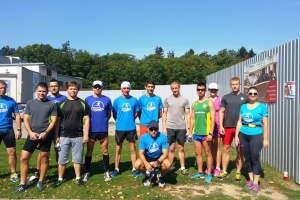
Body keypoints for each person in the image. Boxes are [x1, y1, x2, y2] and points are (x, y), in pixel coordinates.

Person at [12, 82, 57, 193]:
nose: (42, 93)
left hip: (45, 136)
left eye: (44, 91)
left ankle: (40, 181)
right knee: (24, 158)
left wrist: (46, 133)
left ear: (47, 92)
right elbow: (26, 119)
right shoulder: (30, 103)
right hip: (32, 135)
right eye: (40, 91)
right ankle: (23, 183)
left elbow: (54, 120)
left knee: (44, 158)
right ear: (36, 91)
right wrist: (30, 133)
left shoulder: (52, 104)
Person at [52, 81, 90, 188]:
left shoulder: (83, 103)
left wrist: (86, 135)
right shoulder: (61, 104)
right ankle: (60, 178)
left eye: (75, 89)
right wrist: (56, 136)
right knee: (62, 159)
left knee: (77, 159)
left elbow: (87, 120)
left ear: (77, 90)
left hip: (78, 136)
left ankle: (78, 178)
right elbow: (58, 121)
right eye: (71, 88)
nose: (73, 91)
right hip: (64, 136)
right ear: (67, 90)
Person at [235, 87, 268, 195]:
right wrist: (236, 136)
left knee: (255, 158)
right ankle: (251, 180)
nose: (252, 95)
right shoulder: (243, 106)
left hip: (256, 134)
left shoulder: (262, 107)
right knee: (247, 158)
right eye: (250, 93)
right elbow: (239, 122)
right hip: (243, 134)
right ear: (248, 94)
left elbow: (265, 124)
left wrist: (266, 139)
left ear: (257, 94)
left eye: (254, 93)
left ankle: (256, 183)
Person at [33, 79, 66, 181]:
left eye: (55, 86)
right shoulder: (44, 98)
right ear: (49, 88)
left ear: (59, 86)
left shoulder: (64, 98)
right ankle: (37, 171)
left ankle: (59, 170)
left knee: (58, 150)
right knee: (42, 151)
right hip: (46, 129)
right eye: (51, 86)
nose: (53, 88)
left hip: (60, 129)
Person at [219, 77, 248, 181]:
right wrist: (221, 126)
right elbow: (221, 112)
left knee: (239, 150)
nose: (235, 86)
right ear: (230, 85)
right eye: (233, 84)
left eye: (236, 84)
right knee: (226, 149)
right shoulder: (226, 97)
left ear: (240, 85)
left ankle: (238, 172)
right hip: (227, 127)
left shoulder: (245, 98)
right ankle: (224, 171)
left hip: (241, 128)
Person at [111, 81, 142, 178]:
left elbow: (136, 113)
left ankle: (134, 169)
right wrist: (121, 121)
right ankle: (116, 169)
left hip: (131, 128)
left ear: (130, 89)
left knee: (133, 149)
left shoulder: (134, 100)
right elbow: (114, 114)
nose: (126, 90)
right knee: (118, 149)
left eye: (128, 88)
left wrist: (129, 120)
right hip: (120, 128)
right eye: (124, 88)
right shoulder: (117, 101)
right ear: (121, 89)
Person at [83, 80, 112, 182]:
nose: (97, 88)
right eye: (95, 87)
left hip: (103, 129)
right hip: (91, 130)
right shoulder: (87, 100)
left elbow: (109, 114)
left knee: (105, 150)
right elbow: (85, 115)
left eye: (99, 87)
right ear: (92, 88)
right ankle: (86, 172)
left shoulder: (107, 100)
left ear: (102, 88)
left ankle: (106, 171)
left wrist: (103, 122)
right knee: (89, 151)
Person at [162, 81, 191, 176]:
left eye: (176, 88)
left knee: (181, 148)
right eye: (173, 88)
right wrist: (164, 127)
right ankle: (169, 167)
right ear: (171, 89)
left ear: (179, 88)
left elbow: (187, 114)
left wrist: (189, 128)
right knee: (171, 148)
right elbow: (164, 113)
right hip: (170, 127)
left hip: (181, 127)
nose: (174, 90)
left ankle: (183, 168)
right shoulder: (167, 100)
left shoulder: (185, 100)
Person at [190, 83, 215, 183]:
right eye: (199, 89)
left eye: (202, 89)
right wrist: (190, 132)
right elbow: (192, 118)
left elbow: (213, 119)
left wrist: (210, 133)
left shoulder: (209, 103)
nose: (200, 91)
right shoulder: (194, 104)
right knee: (198, 153)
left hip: (206, 133)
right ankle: (200, 172)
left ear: (205, 90)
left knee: (208, 153)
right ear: (196, 90)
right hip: (196, 133)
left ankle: (209, 174)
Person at [134, 120, 171, 187]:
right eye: (151, 129)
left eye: (155, 129)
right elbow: (140, 153)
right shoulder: (143, 137)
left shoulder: (163, 137)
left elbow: (165, 153)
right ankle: (149, 175)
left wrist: (157, 162)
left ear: (158, 129)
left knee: (168, 164)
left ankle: (160, 176)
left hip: (159, 158)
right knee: (137, 165)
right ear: (148, 129)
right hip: (147, 158)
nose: (153, 131)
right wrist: (146, 163)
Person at [0, 80, 22, 182]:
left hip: (8, 129)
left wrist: (18, 129)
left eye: (4, 88)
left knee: (12, 152)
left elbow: (17, 115)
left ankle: (13, 173)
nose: (2, 90)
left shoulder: (11, 101)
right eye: (0, 88)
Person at [208, 83, 222, 177]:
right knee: (210, 147)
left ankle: (218, 167)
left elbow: (223, 112)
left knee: (217, 146)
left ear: (217, 90)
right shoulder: (206, 100)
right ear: (209, 90)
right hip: (208, 126)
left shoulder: (220, 99)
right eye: (211, 89)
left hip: (217, 125)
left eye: (215, 89)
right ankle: (211, 165)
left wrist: (222, 125)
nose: (213, 91)